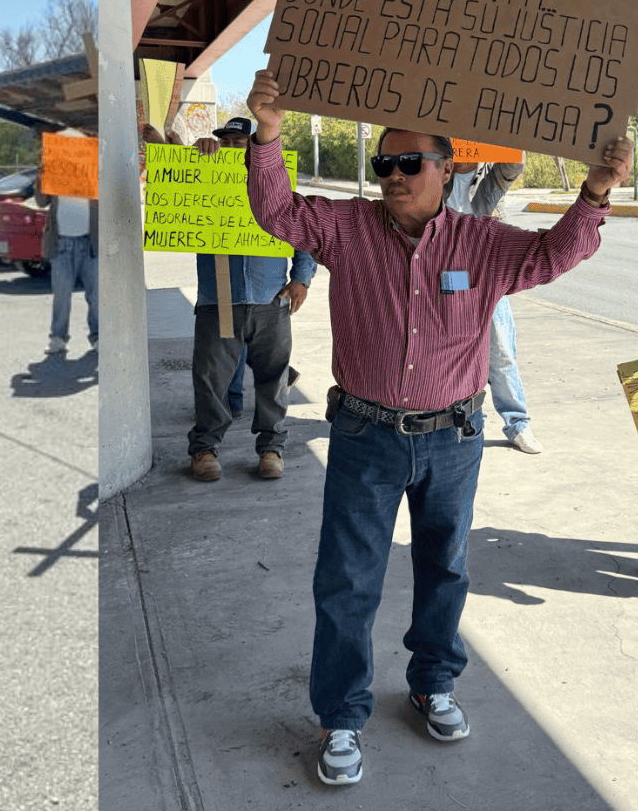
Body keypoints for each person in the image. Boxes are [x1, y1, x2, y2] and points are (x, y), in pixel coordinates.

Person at [244, 70, 632, 787]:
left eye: (408, 162)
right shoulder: (349, 229)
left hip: (453, 440)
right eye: (382, 163)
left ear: (446, 169)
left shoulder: (482, 243)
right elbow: (277, 212)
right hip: (364, 437)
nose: (392, 175)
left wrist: (596, 193)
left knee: (446, 570)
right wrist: (268, 133)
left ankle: (432, 682)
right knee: (347, 583)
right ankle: (341, 717)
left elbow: (555, 254)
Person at [172, 117, 315, 481]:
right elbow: (174, 195)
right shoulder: (205, 177)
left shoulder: (278, 183)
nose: (235, 148)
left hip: (271, 298)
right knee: (210, 379)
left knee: (274, 378)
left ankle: (271, 449)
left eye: (242, 142)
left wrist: (301, 278)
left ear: (256, 146)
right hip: (218, 297)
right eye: (228, 142)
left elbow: (303, 232)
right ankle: (204, 450)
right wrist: (191, 157)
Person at [447, 158, 540, 454]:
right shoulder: (436, 173)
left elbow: (508, 171)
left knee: (501, 352)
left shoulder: (485, 179)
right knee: (457, 350)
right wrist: (460, 171)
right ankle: (469, 420)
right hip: (449, 276)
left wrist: (511, 150)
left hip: (486, 274)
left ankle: (517, 424)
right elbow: (451, 213)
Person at [34, 184, 97, 354]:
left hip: (90, 242)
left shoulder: (94, 162)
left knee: (97, 294)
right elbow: (41, 201)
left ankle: (98, 337)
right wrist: (42, 172)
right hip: (61, 242)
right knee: (61, 294)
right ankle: (58, 337)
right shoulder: (56, 164)